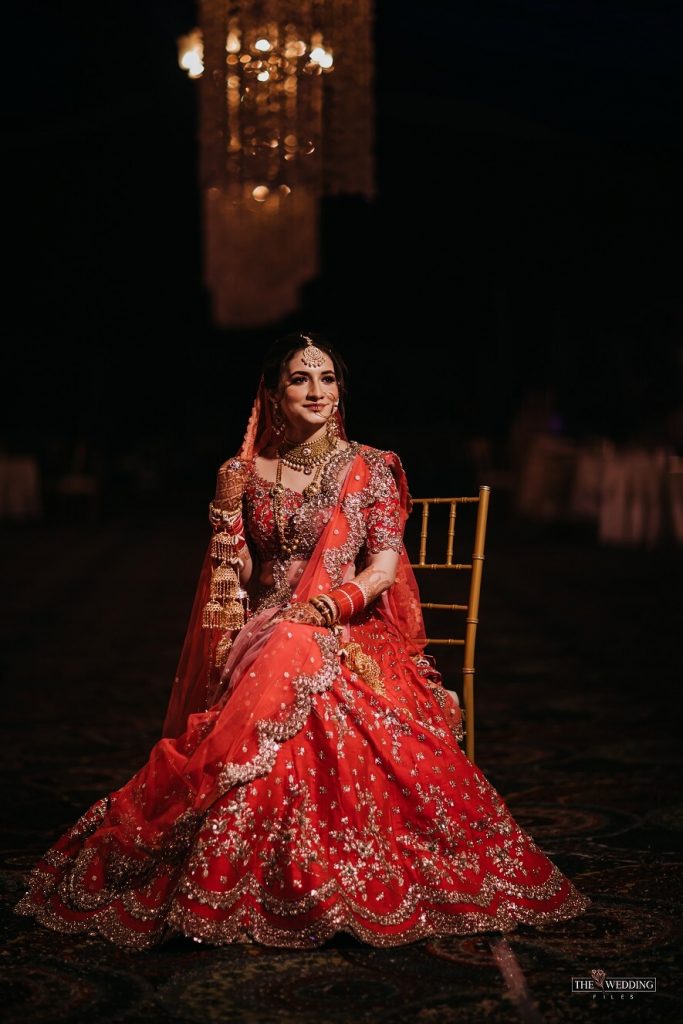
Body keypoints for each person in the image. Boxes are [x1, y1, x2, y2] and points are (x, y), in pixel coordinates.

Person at [14, 331, 591, 950]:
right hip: (263, 633)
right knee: (282, 645)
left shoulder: (370, 468)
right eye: (299, 379)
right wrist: (226, 550)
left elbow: (384, 568)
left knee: (297, 650)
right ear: (271, 393)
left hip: (350, 631)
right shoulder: (242, 474)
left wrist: (329, 603)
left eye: (327, 378)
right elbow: (236, 572)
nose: (317, 391)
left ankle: (281, 847)